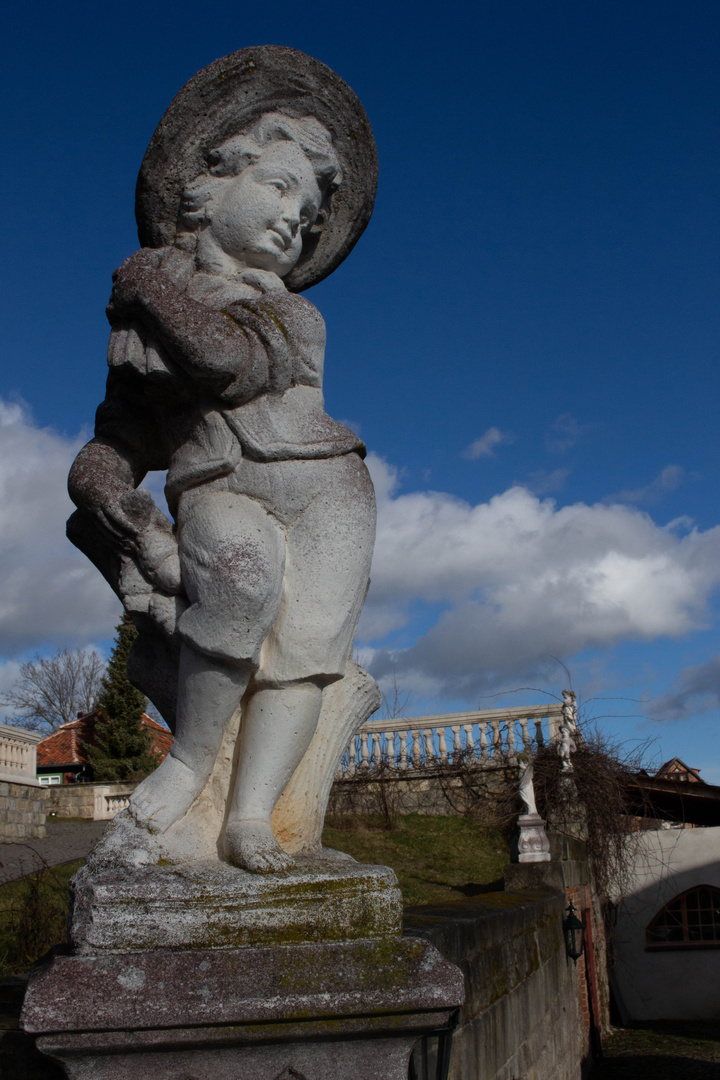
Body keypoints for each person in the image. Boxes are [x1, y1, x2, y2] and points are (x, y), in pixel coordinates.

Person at [68, 113, 376, 872]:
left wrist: (147, 289)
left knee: (303, 656)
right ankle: (188, 765)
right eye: (276, 187)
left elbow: (231, 363)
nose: (289, 222)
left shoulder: (289, 311)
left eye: (305, 220)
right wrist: (99, 481)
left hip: (331, 492)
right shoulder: (148, 320)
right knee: (237, 585)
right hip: (218, 483)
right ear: (211, 187)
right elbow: (123, 436)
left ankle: (248, 817)